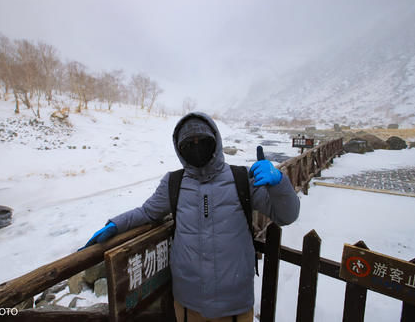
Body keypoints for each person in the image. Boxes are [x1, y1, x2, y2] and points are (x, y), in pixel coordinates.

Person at [81, 112, 300, 322]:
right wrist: (115, 225)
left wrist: (279, 182)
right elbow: (147, 212)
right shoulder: (173, 183)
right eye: (189, 143)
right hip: (187, 304)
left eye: (202, 140)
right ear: (179, 148)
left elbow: (286, 215)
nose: (196, 146)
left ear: (215, 140)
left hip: (235, 304)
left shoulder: (242, 179)